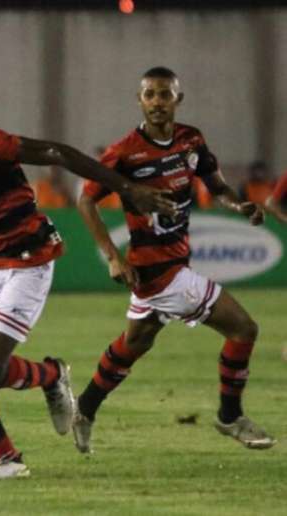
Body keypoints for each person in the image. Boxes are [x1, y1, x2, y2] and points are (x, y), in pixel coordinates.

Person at [0, 84, 175, 481]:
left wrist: (127, 187)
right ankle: (8, 459)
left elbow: (56, 153)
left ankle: (52, 375)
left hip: (28, 259)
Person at [74, 67, 275, 454]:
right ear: (139, 100)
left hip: (176, 263)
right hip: (158, 273)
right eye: (149, 95)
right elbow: (85, 200)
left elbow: (216, 187)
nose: (157, 103)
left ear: (177, 100)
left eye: (165, 95)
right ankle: (230, 416)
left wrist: (239, 204)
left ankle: (85, 407)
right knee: (243, 329)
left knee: (136, 342)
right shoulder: (124, 152)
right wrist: (112, 257)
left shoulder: (190, 140)